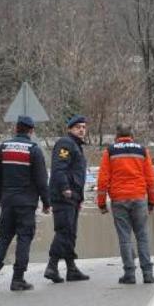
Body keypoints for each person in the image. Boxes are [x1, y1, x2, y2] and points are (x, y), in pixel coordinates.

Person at [0, 115, 51, 291]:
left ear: (16, 128)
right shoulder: (34, 150)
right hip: (26, 204)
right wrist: (46, 203)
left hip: (7, 201)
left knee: (4, 238)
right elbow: (41, 180)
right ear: (31, 131)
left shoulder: (3, 148)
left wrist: (0, 198)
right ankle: (18, 279)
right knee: (24, 239)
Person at [96, 124, 154, 284]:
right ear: (132, 135)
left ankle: (129, 273)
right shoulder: (142, 150)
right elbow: (150, 179)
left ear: (117, 136)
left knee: (125, 238)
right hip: (139, 197)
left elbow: (103, 179)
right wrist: (152, 201)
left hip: (119, 199)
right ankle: (148, 273)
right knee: (142, 236)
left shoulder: (110, 151)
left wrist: (101, 203)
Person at [44, 115, 90, 283]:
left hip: (74, 196)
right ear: (70, 129)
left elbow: (76, 173)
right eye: (78, 127)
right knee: (64, 231)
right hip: (64, 195)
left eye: (84, 127)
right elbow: (59, 169)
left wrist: (80, 197)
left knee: (70, 233)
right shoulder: (65, 143)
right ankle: (52, 265)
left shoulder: (76, 146)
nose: (82, 129)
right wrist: (65, 189)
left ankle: (71, 269)